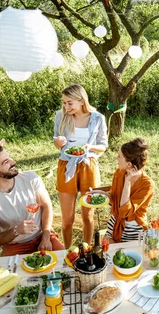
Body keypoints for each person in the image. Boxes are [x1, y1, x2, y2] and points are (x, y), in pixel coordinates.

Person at [0, 139, 64, 256]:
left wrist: (46, 237)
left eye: (9, 158)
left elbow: (46, 206)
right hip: (14, 245)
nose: (13, 162)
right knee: (10, 273)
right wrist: (16, 231)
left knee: (66, 263)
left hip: (43, 234)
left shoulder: (31, 178)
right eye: (6, 162)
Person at [53, 84, 108, 248]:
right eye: (64, 103)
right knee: (67, 219)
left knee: (87, 215)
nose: (66, 107)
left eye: (70, 103)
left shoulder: (97, 118)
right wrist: (58, 142)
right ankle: (67, 251)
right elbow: (57, 143)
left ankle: (86, 248)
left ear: (81, 101)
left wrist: (89, 148)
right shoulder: (60, 116)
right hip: (66, 165)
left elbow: (103, 145)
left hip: (88, 166)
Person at [90, 138, 154, 243]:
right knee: (107, 251)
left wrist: (127, 182)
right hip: (115, 221)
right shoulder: (119, 173)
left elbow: (125, 211)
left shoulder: (147, 185)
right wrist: (105, 196)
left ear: (129, 165)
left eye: (119, 156)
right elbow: (115, 198)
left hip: (133, 228)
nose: (117, 158)